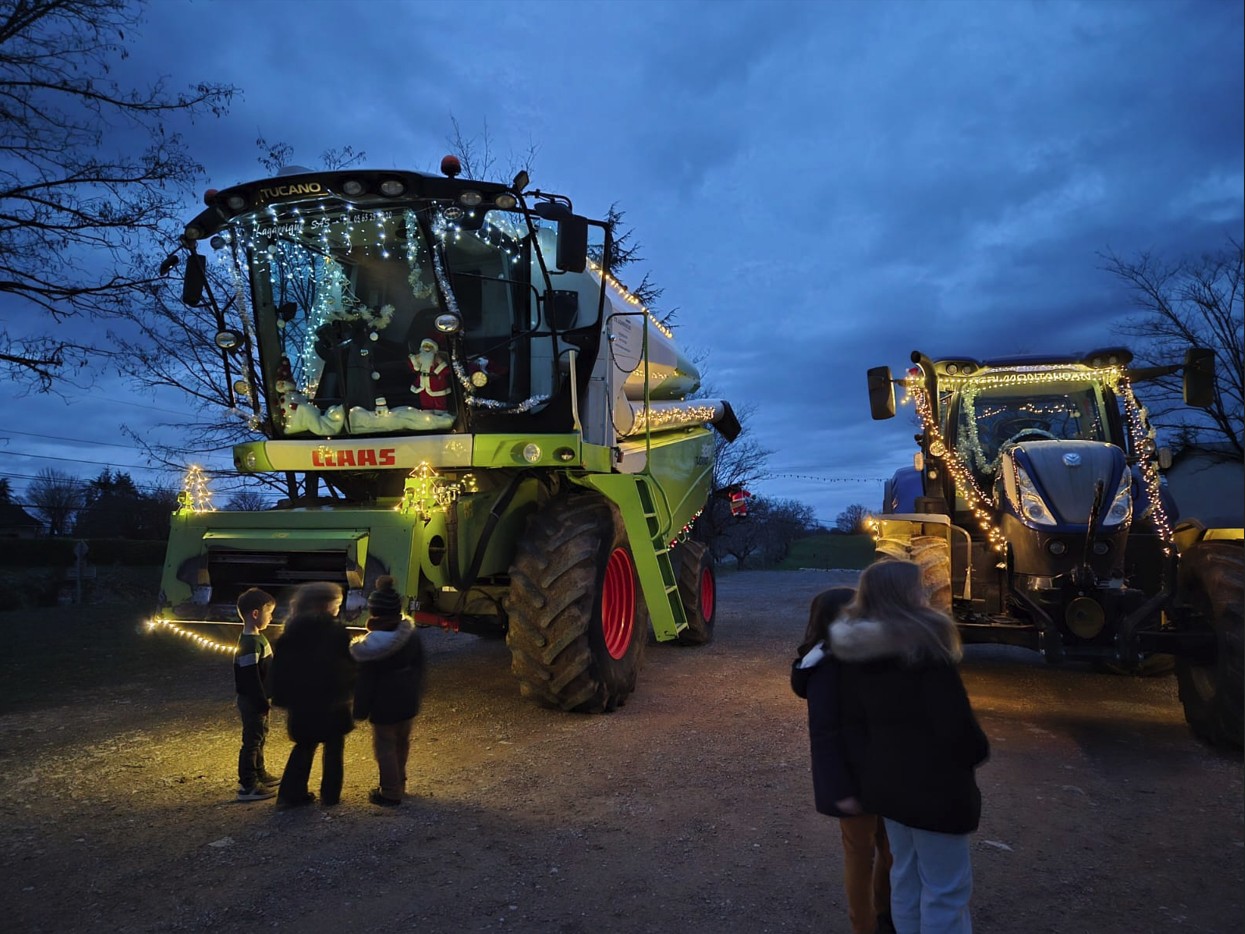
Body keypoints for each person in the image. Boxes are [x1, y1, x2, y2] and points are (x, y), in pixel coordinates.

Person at [831, 560, 990, 934]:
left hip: (887, 785)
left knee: (905, 876)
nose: (925, 594)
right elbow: (957, 730)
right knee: (946, 889)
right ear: (903, 596)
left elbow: (854, 723)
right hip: (934, 790)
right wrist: (976, 752)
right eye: (919, 588)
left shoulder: (856, 653)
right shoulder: (926, 651)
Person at [791, 587, 894, 934]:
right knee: (861, 855)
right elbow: (824, 736)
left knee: (892, 849)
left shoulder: (865, 657)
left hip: (883, 773)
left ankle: (886, 912)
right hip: (854, 780)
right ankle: (864, 925)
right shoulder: (826, 669)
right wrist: (840, 790)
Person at [270, 581, 356, 810]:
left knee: (304, 747)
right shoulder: (335, 631)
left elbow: (279, 670)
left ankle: (290, 795)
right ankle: (330, 796)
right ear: (326, 605)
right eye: (337, 603)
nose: (338, 608)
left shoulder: (290, 632)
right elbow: (347, 665)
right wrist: (352, 689)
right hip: (332, 701)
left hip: (302, 703)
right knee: (334, 750)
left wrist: (282, 697)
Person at [351, 575, 426, 807]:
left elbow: (365, 682)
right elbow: (420, 667)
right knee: (402, 743)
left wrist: (359, 711)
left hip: (384, 707)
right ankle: (401, 783)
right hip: (407, 702)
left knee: (385, 747)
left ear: (374, 612)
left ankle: (391, 792)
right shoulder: (410, 635)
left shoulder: (371, 646)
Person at [234, 587, 280, 802]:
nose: (271, 617)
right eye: (269, 613)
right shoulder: (249, 644)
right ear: (255, 614)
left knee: (260, 738)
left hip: (261, 700)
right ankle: (248, 784)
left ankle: (260, 773)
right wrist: (260, 702)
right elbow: (249, 680)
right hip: (253, 702)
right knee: (252, 741)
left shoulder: (258, 639)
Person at [408, 336, 451, 410]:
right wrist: (413, 359)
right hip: (423, 385)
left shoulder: (437, 359)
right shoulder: (420, 357)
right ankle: (427, 415)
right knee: (425, 402)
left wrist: (439, 366)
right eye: (425, 346)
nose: (427, 348)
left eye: (429, 346)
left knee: (439, 402)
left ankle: (441, 415)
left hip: (436, 384)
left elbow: (446, 371)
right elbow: (413, 368)